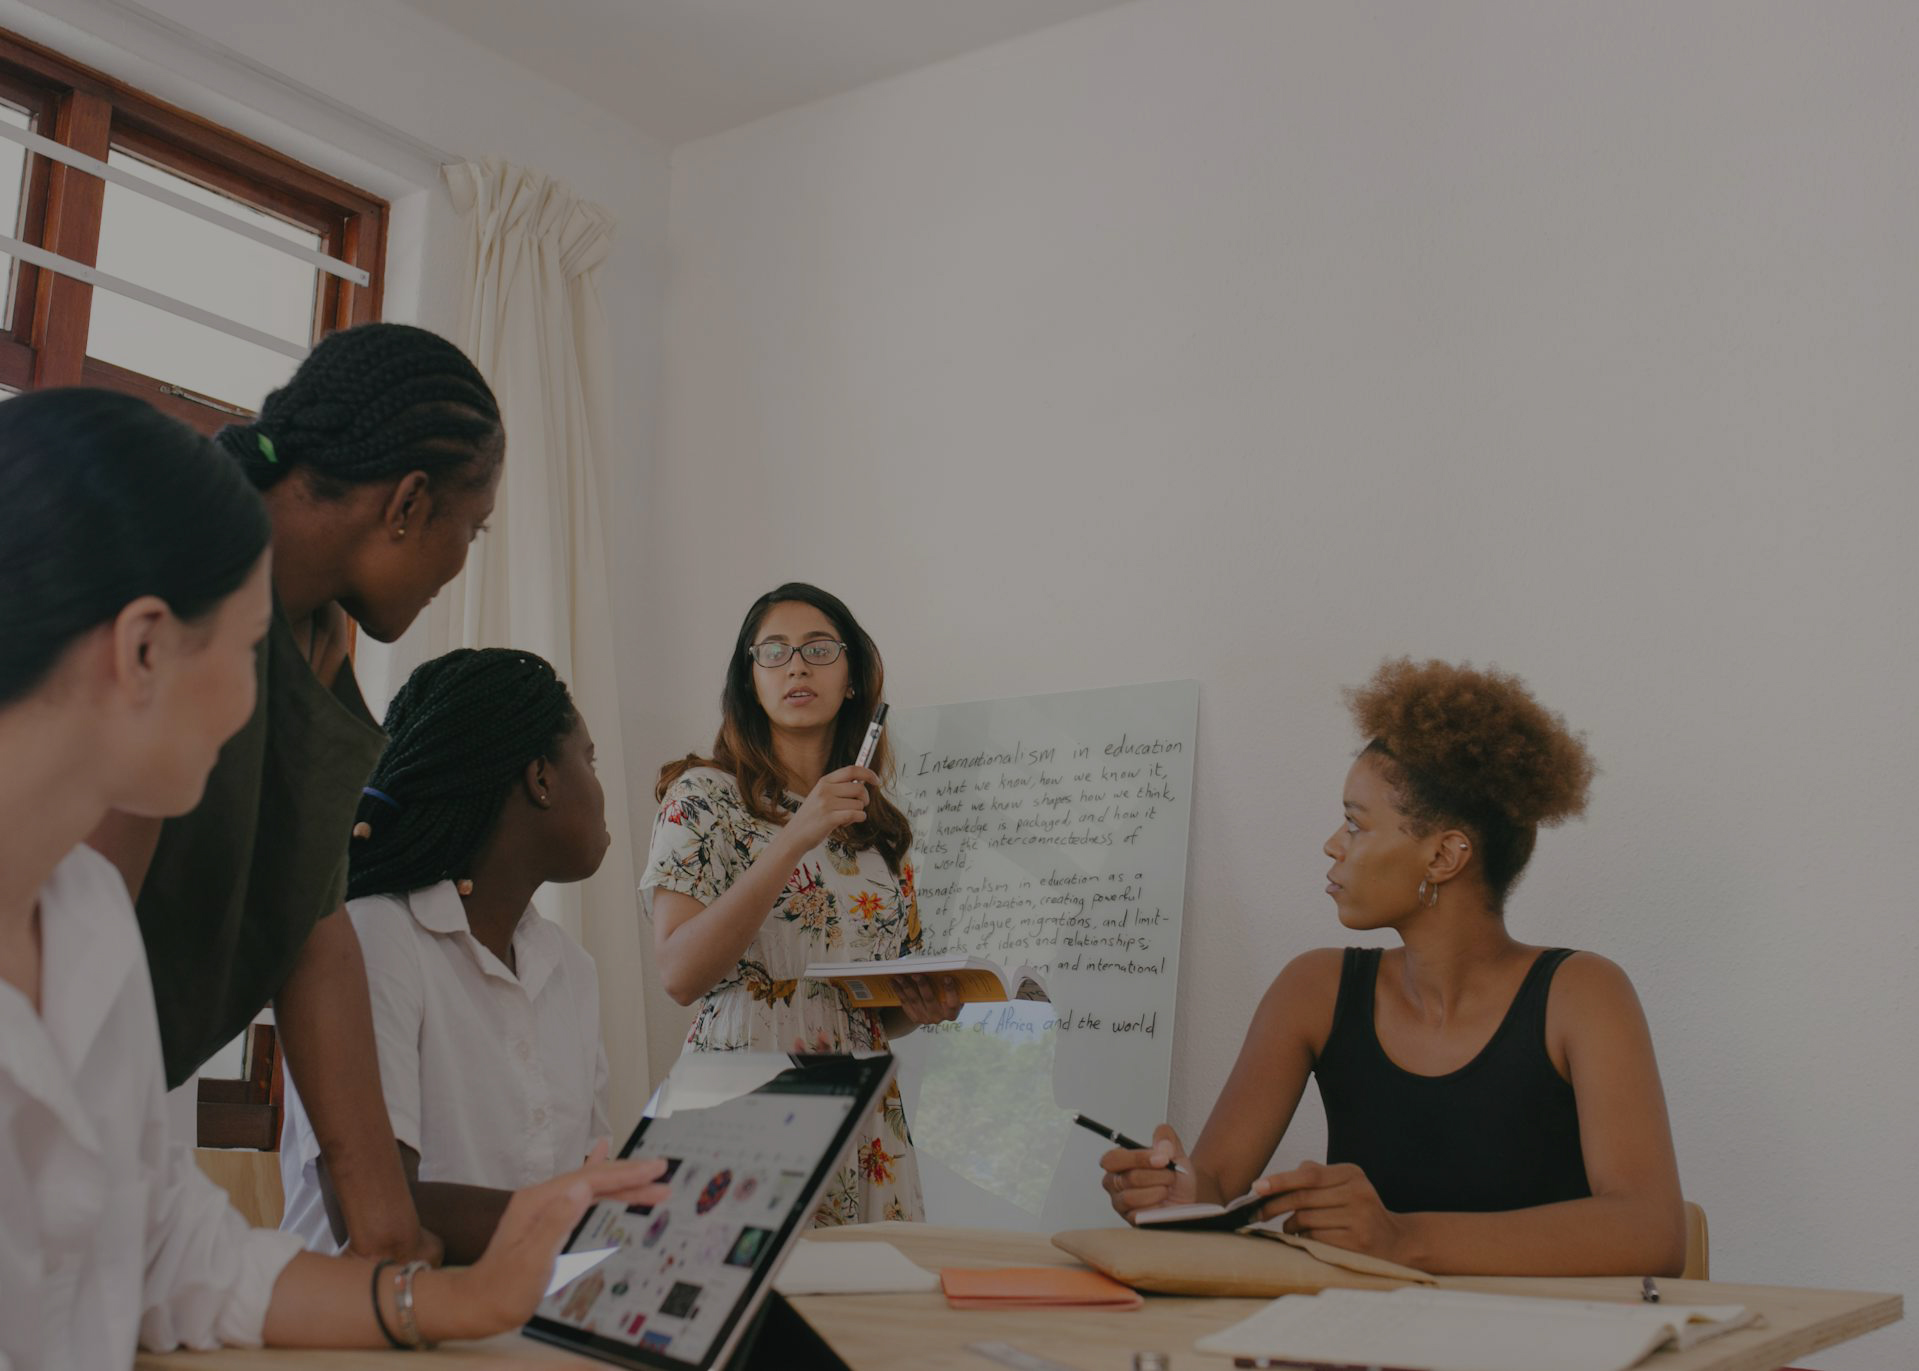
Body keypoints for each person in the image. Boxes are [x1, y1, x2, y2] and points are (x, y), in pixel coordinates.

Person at [0, 389, 665, 1367]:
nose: (265, 707)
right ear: (144, 649)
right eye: (245, 654)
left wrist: (461, 1298)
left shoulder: (91, 919)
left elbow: (182, 1257)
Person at [86, 322, 504, 1263]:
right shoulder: (182, 568)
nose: (460, 564)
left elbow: (314, 934)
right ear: (407, 503)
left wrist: (388, 1231)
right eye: (469, 530)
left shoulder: (314, 642)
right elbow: (82, 924)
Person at [1099, 658, 1687, 1277]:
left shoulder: (1583, 995)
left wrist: (1401, 1239)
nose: (1333, 843)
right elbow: (1215, 1184)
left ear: (1443, 856)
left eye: (1356, 823)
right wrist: (1177, 1195)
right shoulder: (1313, 990)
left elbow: (1652, 1233)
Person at [281, 648, 615, 1264]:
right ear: (541, 778)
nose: (600, 789)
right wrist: (593, 1217)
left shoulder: (570, 967)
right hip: (358, 1334)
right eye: (589, 761)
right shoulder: (375, 938)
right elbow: (371, 1212)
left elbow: (589, 1175)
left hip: (514, 1321)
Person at [644, 583, 961, 1224]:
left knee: (863, 1313)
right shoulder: (702, 796)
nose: (796, 665)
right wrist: (794, 836)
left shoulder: (881, 830)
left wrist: (918, 1009)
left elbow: (867, 1006)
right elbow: (679, 975)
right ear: (750, 681)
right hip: (745, 1090)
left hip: (862, 1102)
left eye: (818, 648)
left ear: (851, 680)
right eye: (774, 651)